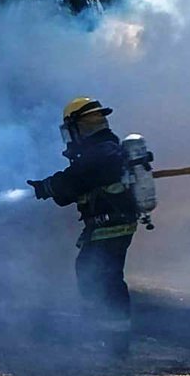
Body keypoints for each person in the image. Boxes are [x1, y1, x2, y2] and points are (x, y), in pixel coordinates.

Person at [27, 97, 137, 355]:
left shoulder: (103, 151)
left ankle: (114, 344)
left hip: (111, 224)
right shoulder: (102, 149)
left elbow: (73, 182)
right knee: (94, 273)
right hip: (106, 224)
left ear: (78, 126)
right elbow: (73, 189)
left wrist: (48, 186)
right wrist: (51, 188)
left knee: (102, 278)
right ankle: (107, 338)